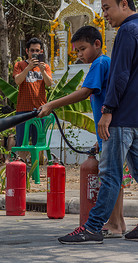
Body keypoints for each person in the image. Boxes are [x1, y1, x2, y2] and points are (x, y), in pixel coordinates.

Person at [57, 0, 138, 244]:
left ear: (124, 4)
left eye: (106, 8)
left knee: (110, 175)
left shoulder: (127, 30)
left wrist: (108, 110)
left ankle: (92, 228)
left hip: (121, 117)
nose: (105, 14)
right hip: (136, 117)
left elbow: (121, 73)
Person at [38, 26, 128, 238]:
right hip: (109, 130)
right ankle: (118, 223)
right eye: (76, 51)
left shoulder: (99, 63)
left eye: (82, 49)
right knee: (117, 177)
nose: (79, 55)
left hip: (110, 128)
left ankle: (112, 225)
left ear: (97, 44)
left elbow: (85, 92)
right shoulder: (105, 63)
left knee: (111, 177)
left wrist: (52, 104)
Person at [13, 37, 52, 153]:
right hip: (23, 110)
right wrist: (28, 68)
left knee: (38, 145)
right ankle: (22, 168)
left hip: (40, 110)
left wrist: (42, 70)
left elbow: (49, 83)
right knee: (21, 144)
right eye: (32, 50)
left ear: (41, 52)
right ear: (27, 51)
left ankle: (36, 170)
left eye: (37, 50)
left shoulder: (45, 66)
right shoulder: (19, 65)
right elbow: (17, 81)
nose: (34, 53)